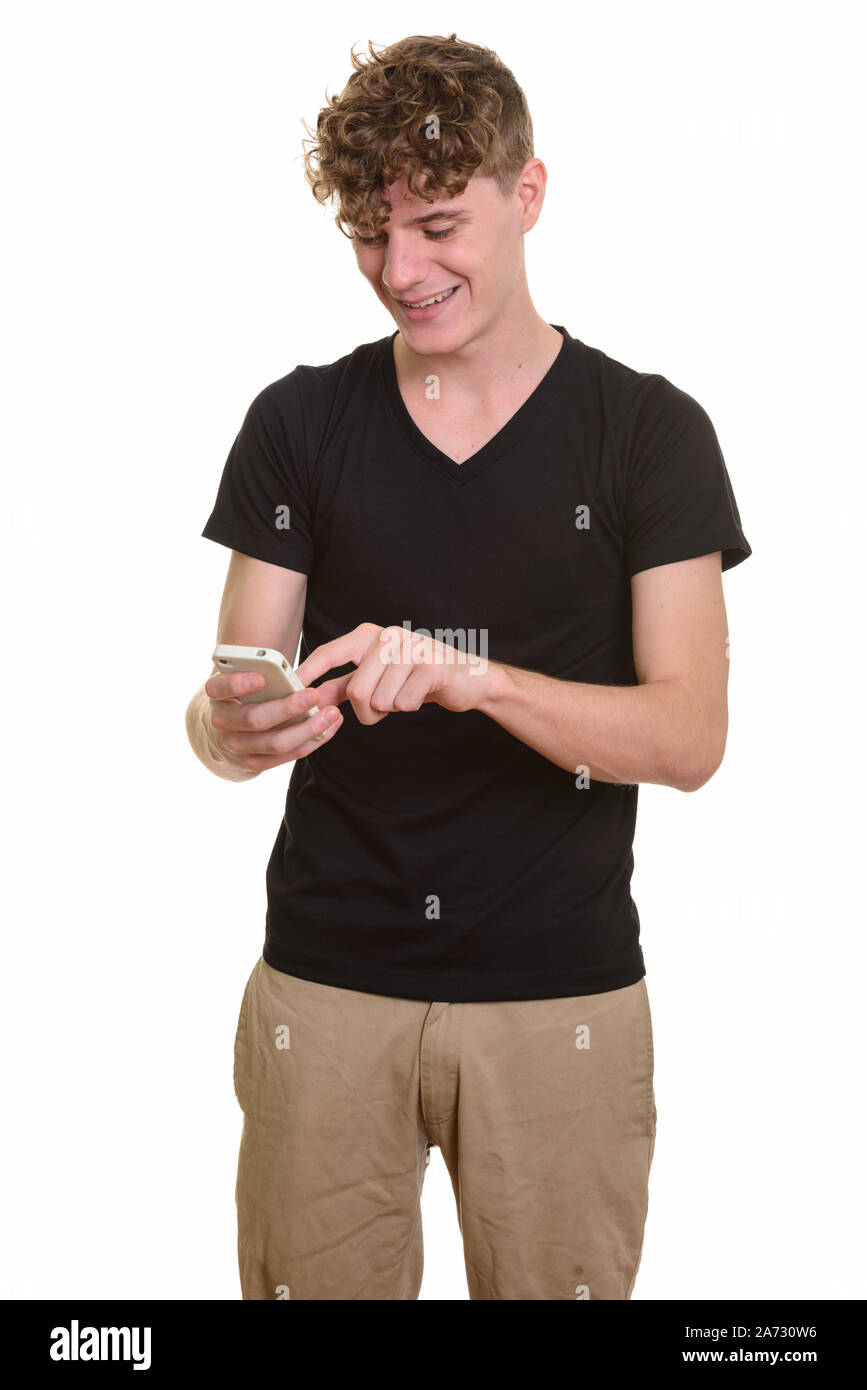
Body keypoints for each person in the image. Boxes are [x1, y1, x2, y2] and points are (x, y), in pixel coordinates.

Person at [186, 32, 752, 1300]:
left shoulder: (649, 434)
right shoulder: (299, 423)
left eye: (440, 226)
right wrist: (237, 727)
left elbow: (692, 737)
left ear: (528, 194)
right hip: (324, 984)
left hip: (562, 1000)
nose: (403, 271)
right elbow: (226, 703)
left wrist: (476, 680)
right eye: (371, 238)